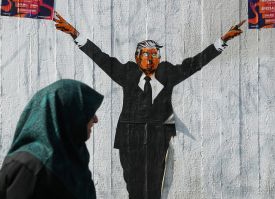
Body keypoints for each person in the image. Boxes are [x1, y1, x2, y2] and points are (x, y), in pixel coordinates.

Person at [53, 12, 245, 199]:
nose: (151, 58)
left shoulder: (167, 73)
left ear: (159, 59)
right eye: (146, 55)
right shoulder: (127, 73)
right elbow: (101, 58)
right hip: (129, 138)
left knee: (154, 187)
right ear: (137, 58)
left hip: (158, 138)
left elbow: (195, 64)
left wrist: (222, 41)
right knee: (134, 187)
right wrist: (75, 34)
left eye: (155, 55)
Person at [0, 79, 104, 199]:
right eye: (89, 112)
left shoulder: (73, 156)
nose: (95, 119)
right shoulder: (30, 167)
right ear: (68, 113)